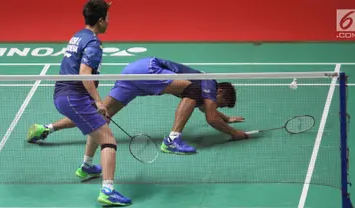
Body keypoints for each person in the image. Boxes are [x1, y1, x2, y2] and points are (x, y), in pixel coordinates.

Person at [27, 57, 248, 155]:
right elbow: (210, 117)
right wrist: (233, 132)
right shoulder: (208, 82)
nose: (217, 107)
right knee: (191, 90)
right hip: (148, 70)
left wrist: (227, 119)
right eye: (222, 103)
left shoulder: (205, 91)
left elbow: (207, 109)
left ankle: (47, 128)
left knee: (99, 113)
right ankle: (172, 140)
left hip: (134, 72)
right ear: (219, 91)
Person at [36, 0, 131, 206]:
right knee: (108, 140)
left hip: (64, 94)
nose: (109, 21)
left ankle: (87, 166)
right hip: (73, 96)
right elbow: (84, 74)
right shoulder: (93, 43)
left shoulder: (78, 35)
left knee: (97, 126)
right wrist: (98, 101)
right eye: (107, 18)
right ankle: (108, 190)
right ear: (100, 20)